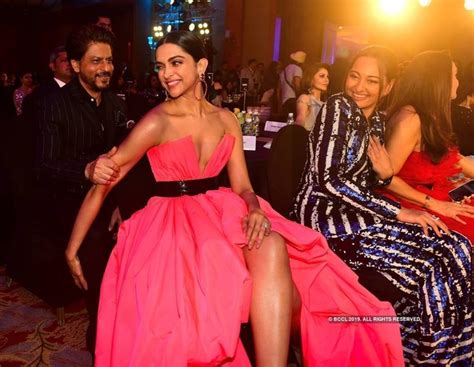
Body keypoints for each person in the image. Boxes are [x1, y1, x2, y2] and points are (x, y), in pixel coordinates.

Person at [65, 31, 404, 366]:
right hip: (173, 221)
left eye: (176, 62)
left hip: (221, 206)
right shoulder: (157, 122)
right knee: (230, 266)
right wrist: (72, 249)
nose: (166, 74)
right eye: (160, 65)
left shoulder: (227, 120)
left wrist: (255, 209)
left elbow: (242, 185)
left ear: (201, 65)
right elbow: (106, 181)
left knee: (270, 244)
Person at [293, 46, 472, 366]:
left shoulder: (375, 122)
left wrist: (388, 177)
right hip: (330, 221)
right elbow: (328, 182)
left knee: (457, 247)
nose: (359, 86)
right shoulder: (338, 107)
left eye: (372, 81)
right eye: (354, 76)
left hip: (367, 218)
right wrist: (401, 211)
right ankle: (431, 356)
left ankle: (425, 351)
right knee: (449, 253)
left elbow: (377, 179)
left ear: (387, 86)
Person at [35, 24, 127, 354]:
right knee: (101, 268)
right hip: (70, 207)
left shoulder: (116, 105)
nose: (106, 68)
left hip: (109, 204)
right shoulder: (52, 105)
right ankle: (101, 345)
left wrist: (118, 203)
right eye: (96, 61)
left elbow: (122, 163)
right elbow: (44, 166)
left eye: (110, 61)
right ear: (75, 65)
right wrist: (86, 170)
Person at [383, 51, 474, 242]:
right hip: (413, 204)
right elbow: (385, 178)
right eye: (454, 75)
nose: (458, 82)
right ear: (439, 81)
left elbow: (455, 159)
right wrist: (434, 204)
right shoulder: (411, 119)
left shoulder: (429, 116)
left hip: (432, 198)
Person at [295, 63, 329, 131]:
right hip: (306, 138)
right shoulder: (305, 98)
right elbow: (300, 120)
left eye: (327, 76)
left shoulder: (325, 103)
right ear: (311, 78)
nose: (326, 80)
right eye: (322, 76)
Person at [278, 51, 306, 116]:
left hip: (283, 100)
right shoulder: (297, 69)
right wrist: (300, 94)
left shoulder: (284, 70)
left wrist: (279, 103)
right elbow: (296, 82)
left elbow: (278, 89)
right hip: (292, 99)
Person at [451, 77, 474, 156]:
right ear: (470, 94)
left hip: (456, 155)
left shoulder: (450, 111)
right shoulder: (468, 114)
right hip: (468, 158)